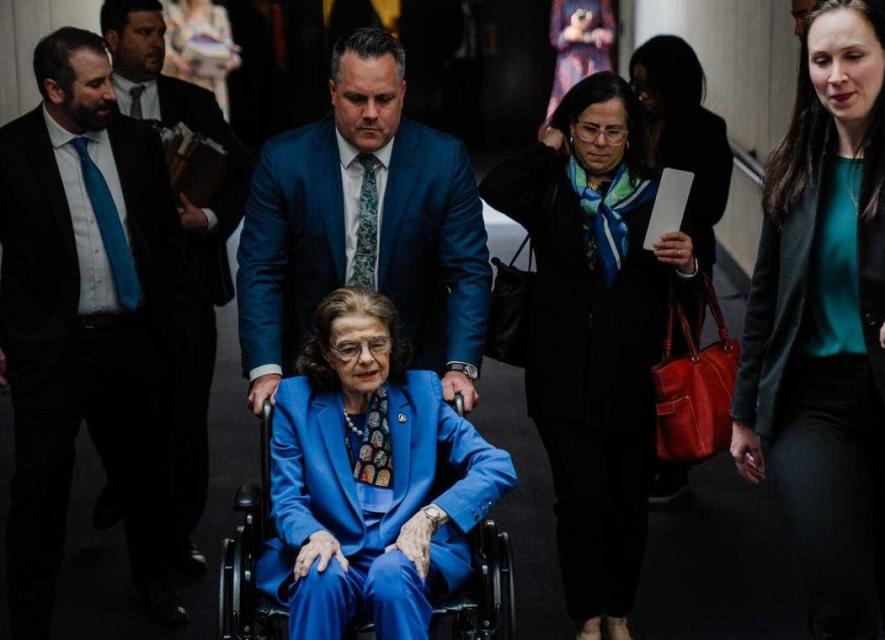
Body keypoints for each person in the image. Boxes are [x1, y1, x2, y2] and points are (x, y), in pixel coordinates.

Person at [729, 1, 885, 638]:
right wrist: (745, 411)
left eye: (854, 56)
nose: (837, 75)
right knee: (839, 599)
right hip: (814, 405)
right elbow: (767, 301)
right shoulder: (793, 166)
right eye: (822, 60)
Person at [479, 71, 698, 640]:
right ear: (570, 129)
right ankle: (588, 614)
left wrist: (689, 264)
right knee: (580, 499)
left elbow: (688, 288)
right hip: (561, 374)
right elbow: (496, 187)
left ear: (632, 136)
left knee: (627, 501)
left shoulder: (665, 190)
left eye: (614, 132)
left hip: (635, 374)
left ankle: (620, 612)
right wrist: (543, 145)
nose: (601, 142)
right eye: (589, 129)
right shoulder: (550, 186)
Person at [0, 27, 192, 637]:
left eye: (109, 78)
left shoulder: (135, 144)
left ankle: (155, 585)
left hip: (131, 339)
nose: (111, 92)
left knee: (144, 475)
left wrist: (173, 325)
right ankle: (29, 616)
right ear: (55, 90)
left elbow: (162, 241)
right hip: (52, 349)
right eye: (96, 83)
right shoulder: (10, 153)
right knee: (40, 487)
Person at [238, 27, 491, 418]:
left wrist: (460, 367)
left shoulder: (443, 160)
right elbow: (261, 271)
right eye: (357, 98)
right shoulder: (285, 161)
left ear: (403, 94)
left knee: (418, 478)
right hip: (312, 367)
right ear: (333, 92)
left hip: (416, 367)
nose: (371, 113)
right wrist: (266, 370)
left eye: (384, 99)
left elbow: (469, 271)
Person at [255, 287, 517, 640]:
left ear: (392, 345)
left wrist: (430, 518)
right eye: (349, 348)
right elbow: (287, 498)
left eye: (377, 344)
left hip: (404, 549)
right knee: (319, 574)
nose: (366, 359)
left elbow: (496, 465)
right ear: (326, 355)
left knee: (394, 573)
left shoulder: (422, 395)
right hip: (330, 543)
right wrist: (313, 534)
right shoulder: (296, 401)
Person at [92, 0, 253, 574]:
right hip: (112, 295)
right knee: (119, 414)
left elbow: (240, 173)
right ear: (112, 38)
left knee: (185, 419)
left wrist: (207, 221)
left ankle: (176, 537)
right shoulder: (95, 106)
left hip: (186, 285)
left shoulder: (194, 103)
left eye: (160, 33)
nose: (155, 44)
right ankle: (124, 484)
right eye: (142, 33)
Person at [629, 35, 733, 503]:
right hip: (634, 261)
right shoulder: (630, 123)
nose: (642, 96)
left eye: (650, 87)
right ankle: (643, 457)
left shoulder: (706, 130)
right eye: (636, 86)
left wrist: (675, 224)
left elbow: (713, 204)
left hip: (683, 260)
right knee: (639, 360)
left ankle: (673, 465)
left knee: (675, 361)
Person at [163, 0, 241, 119]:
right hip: (186, 83)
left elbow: (234, 54)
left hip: (215, 86)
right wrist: (178, 61)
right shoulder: (175, 13)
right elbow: (164, 48)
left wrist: (228, 63)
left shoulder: (218, 13)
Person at [546, 0, 615, 119]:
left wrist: (590, 36)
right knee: (568, 110)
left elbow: (610, 33)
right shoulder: (559, 2)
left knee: (598, 106)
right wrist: (568, 33)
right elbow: (555, 38)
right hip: (570, 64)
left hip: (595, 62)